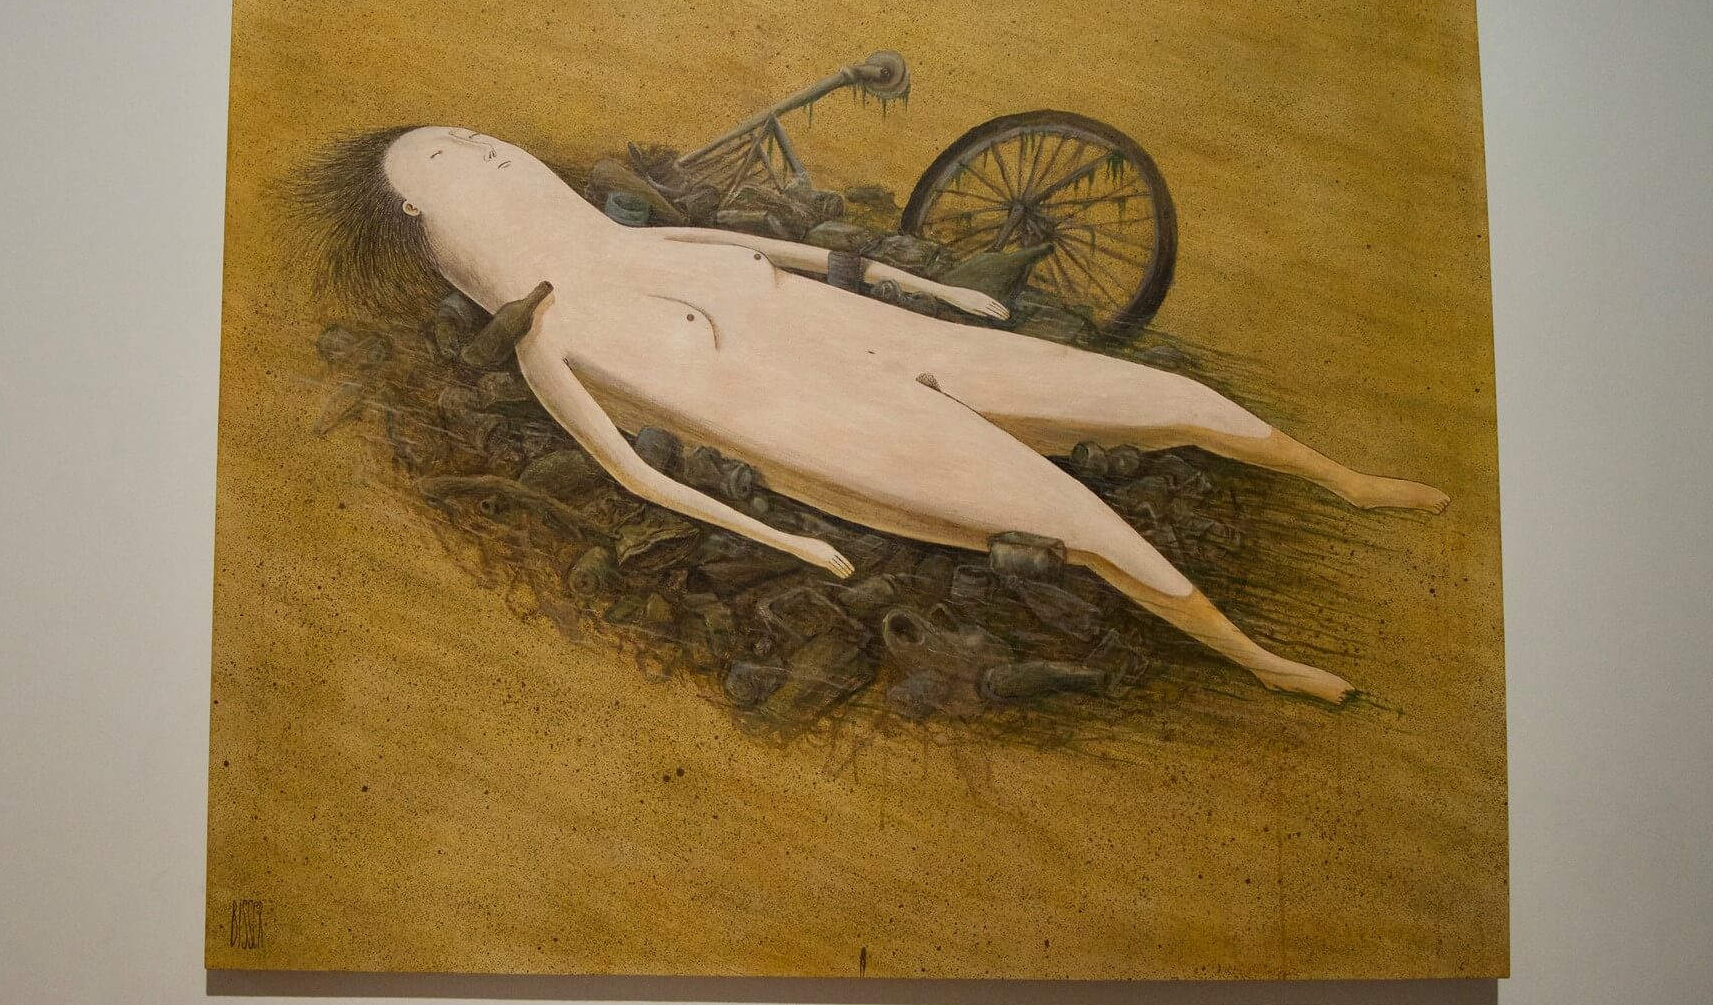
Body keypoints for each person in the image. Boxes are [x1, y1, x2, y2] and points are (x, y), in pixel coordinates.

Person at [295, 125, 1449, 702]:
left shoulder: (642, 240)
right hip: (838, 427)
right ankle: (1260, 660)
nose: (488, 158)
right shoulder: (548, 336)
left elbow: (797, 255)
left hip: (895, 343)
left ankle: (1340, 479)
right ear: (430, 226)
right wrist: (794, 542)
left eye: (482, 142)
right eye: (453, 163)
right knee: (1070, 519)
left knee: (1160, 399)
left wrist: (940, 294)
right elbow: (634, 474)